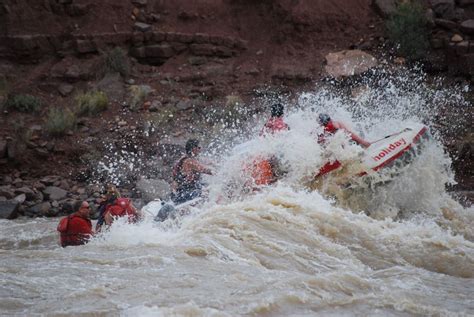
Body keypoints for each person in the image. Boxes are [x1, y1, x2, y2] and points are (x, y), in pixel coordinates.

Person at [171, 139, 213, 204]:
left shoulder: (184, 159)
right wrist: (222, 173)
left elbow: (208, 162)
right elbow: (206, 171)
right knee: (209, 191)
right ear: (194, 148)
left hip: (181, 192)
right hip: (185, 194)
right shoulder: (189, 161)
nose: (200, 150)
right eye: (199, 147)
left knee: (206, 185)